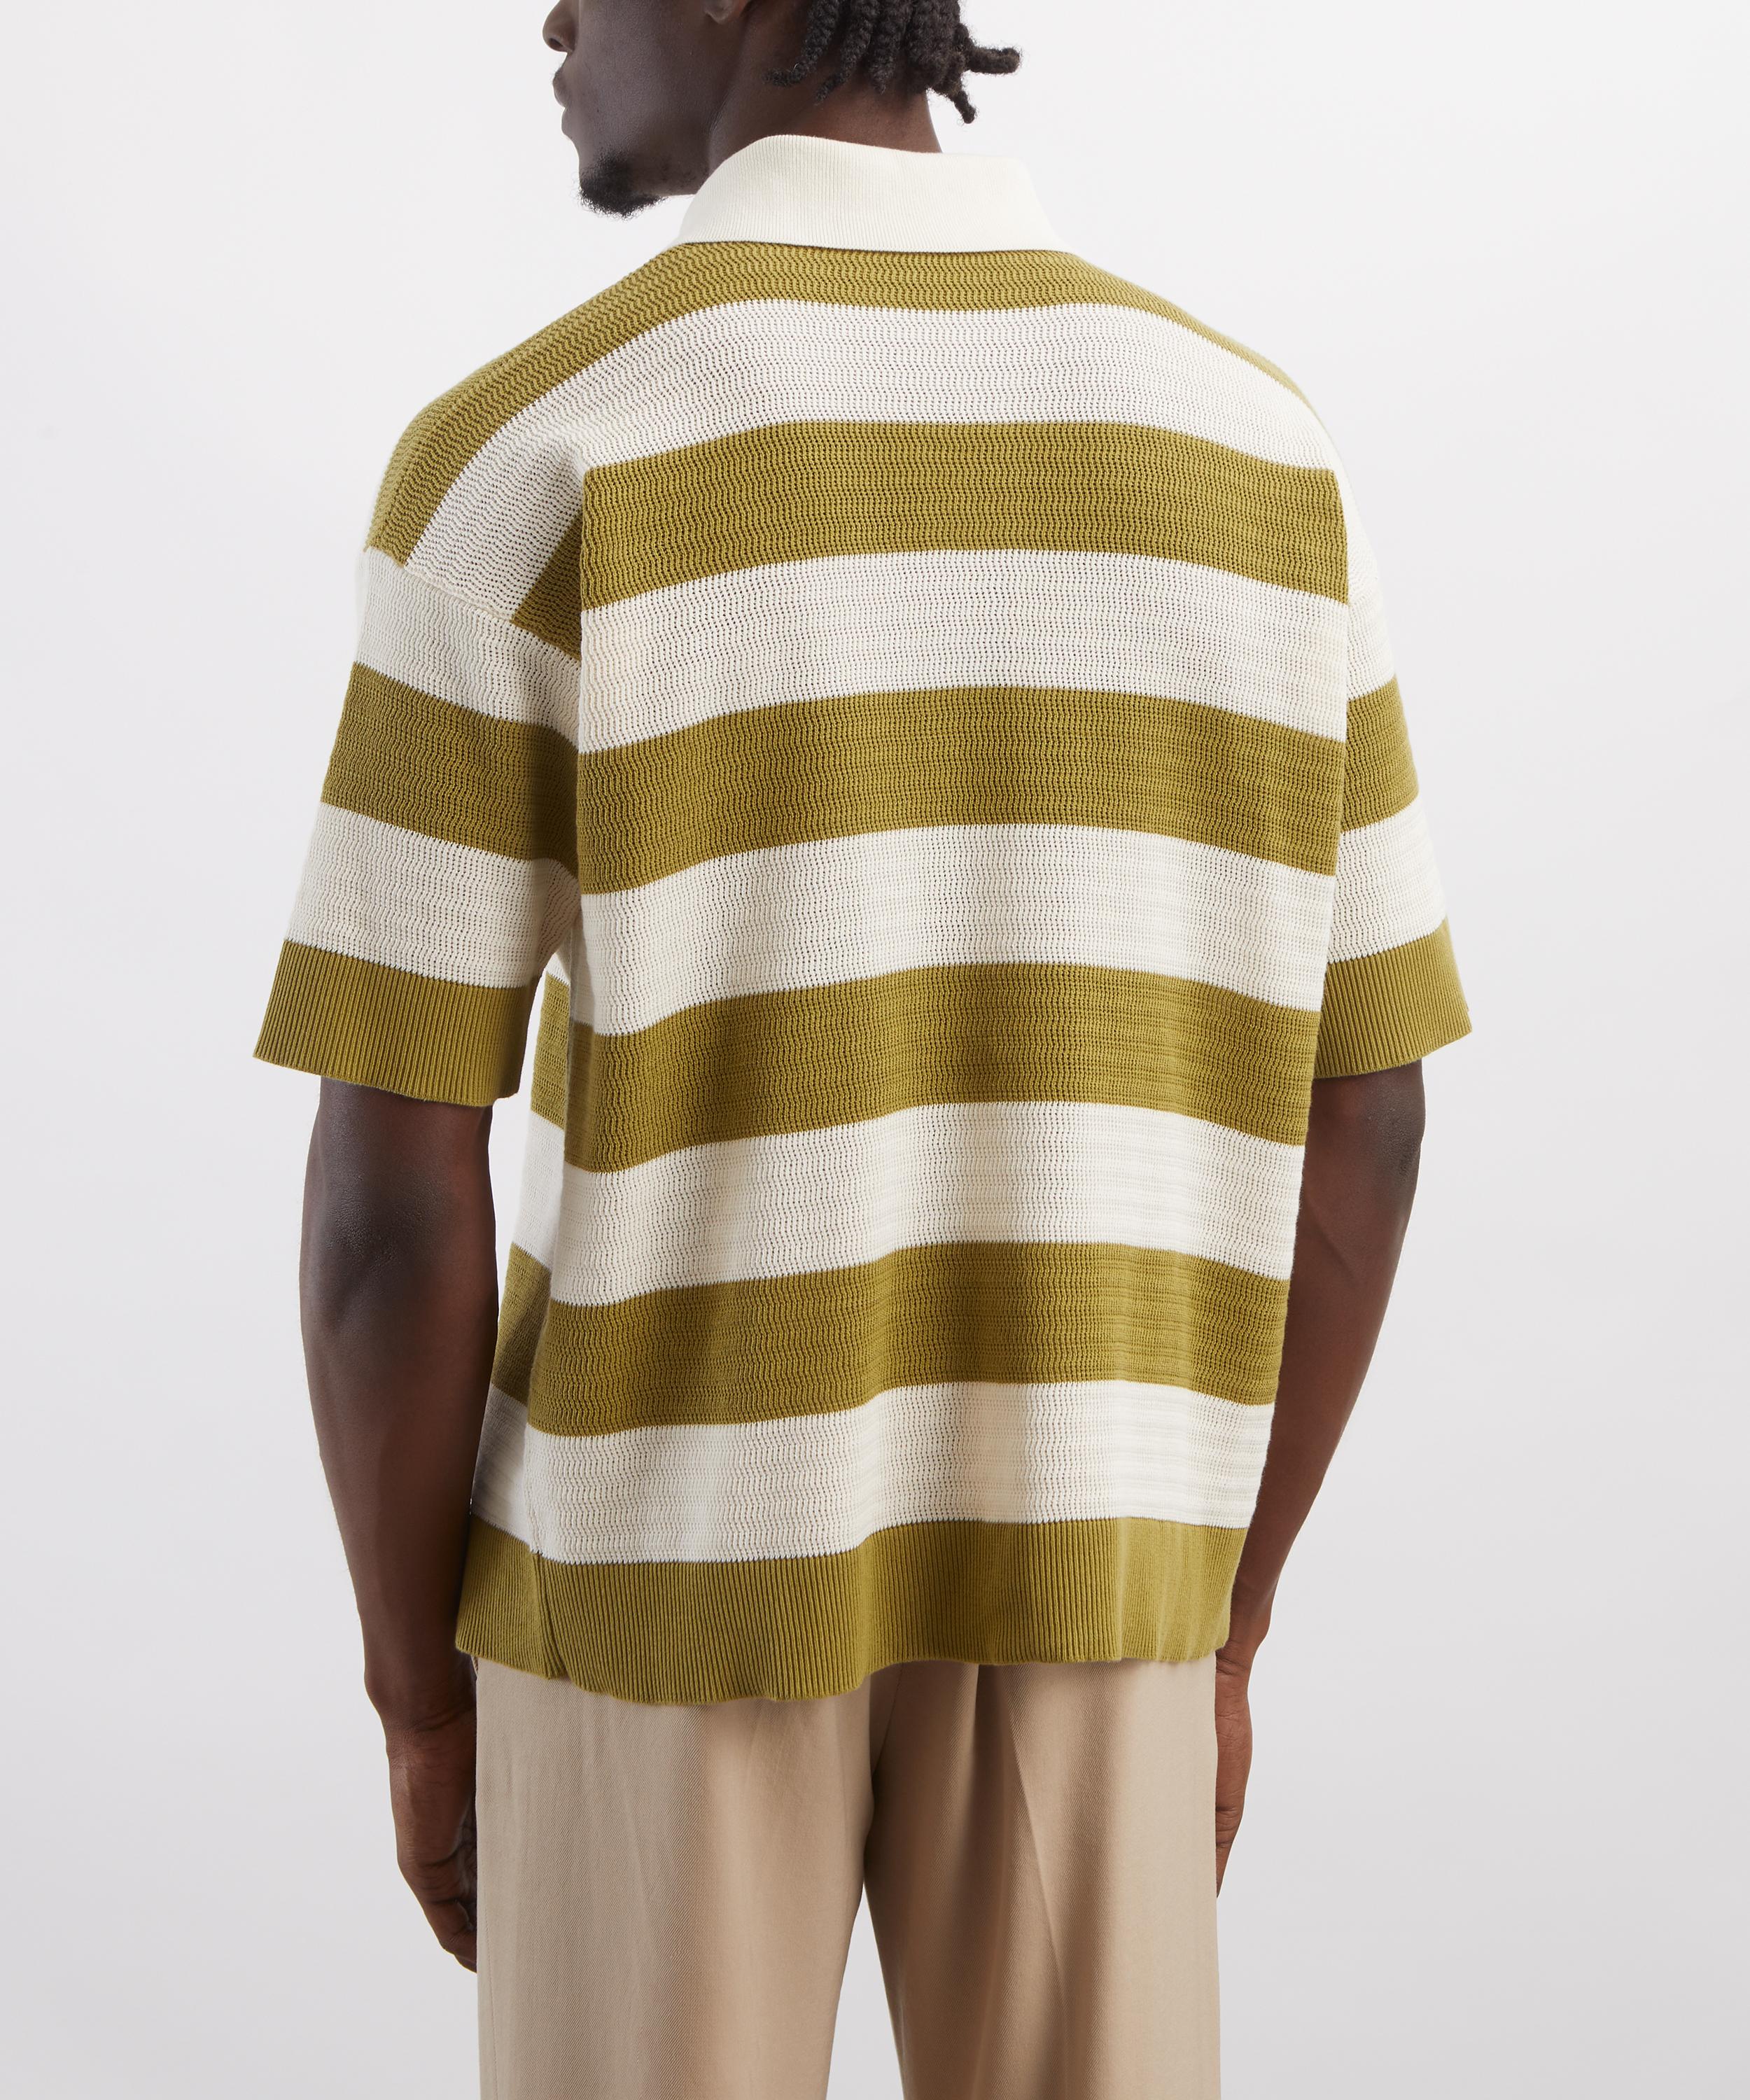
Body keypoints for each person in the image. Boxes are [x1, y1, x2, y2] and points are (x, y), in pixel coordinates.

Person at [255, 2, 1470, 2092]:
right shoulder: (1257, 455)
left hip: (651, 1583)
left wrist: (418, 1701)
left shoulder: (535, 450)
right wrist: (1228, 1612)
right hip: (1106, 1564)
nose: (550, 19)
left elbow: (392, 1185)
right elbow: (1365, 1112)